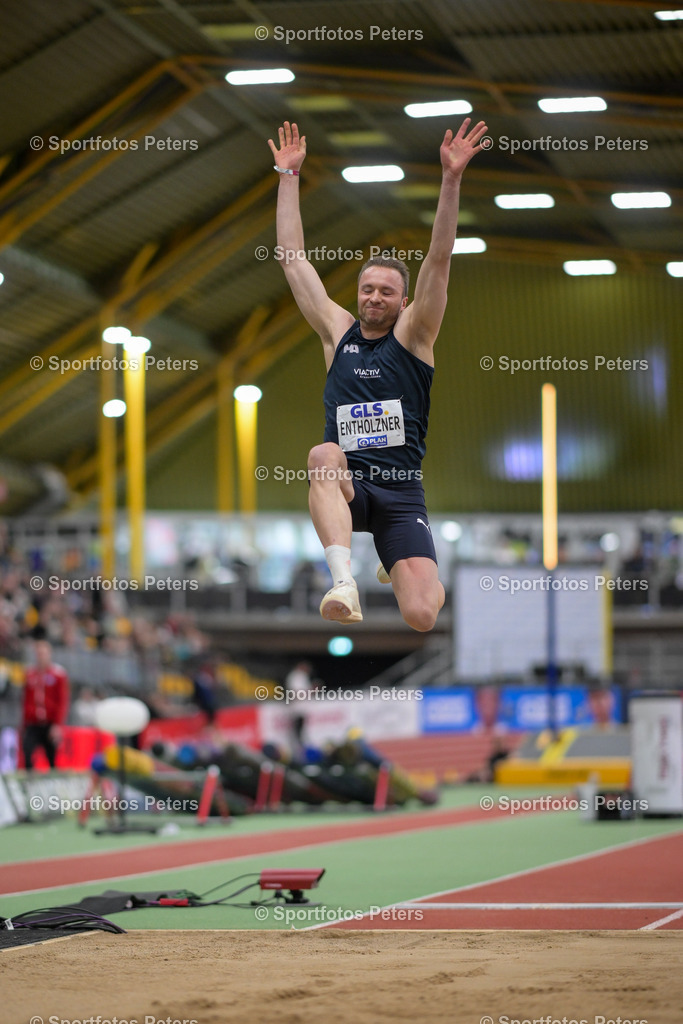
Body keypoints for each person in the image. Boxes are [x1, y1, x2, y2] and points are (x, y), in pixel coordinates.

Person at [268, 117, 488, 630]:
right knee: (322, 455)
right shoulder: (336, 333)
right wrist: (288, 176)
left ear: (403, 301)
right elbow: (292, 260)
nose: (374, 298)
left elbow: (439, 259)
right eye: (367, 289)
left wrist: (451, 178)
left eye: (386, 292)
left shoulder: (415, 336)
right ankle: (344, 581)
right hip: (350, 487)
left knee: (421, 614)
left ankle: (400, 564)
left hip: (400, 493)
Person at [21, 638, 70, 770]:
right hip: (33, 723)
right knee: (27, 751)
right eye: (39, 653)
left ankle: (53, 781)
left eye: (43, 653)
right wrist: (24, 724)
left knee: (52, 758)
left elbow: (62, 701)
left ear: (49, 654)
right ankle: (29, 780)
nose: (41, 656)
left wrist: (57, 724)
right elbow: (26, 700)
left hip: (50, 723)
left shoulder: (58, 674)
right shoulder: (30, 674)